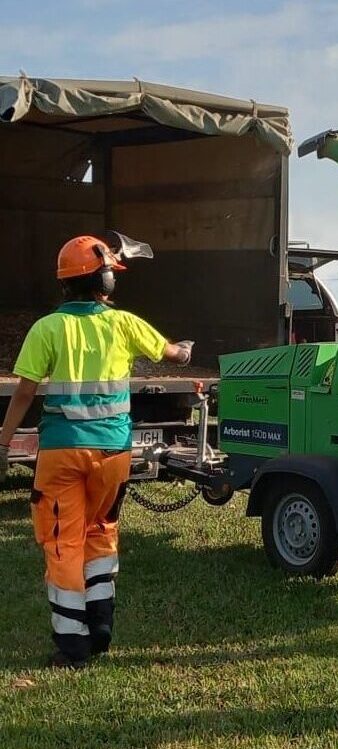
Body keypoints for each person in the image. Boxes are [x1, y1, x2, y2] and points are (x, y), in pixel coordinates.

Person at [0, 235, 194, 668]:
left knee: (61, 540)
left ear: (64, 285)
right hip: (113, 454)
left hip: (61, 454)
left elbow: (24, 393)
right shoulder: (124, 324)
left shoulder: (47, 328)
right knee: (101, 530)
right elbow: (174, 355)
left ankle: (73, 644)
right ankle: (101, 622)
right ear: (106, 282)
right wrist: (185, 348)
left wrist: (3, 441)